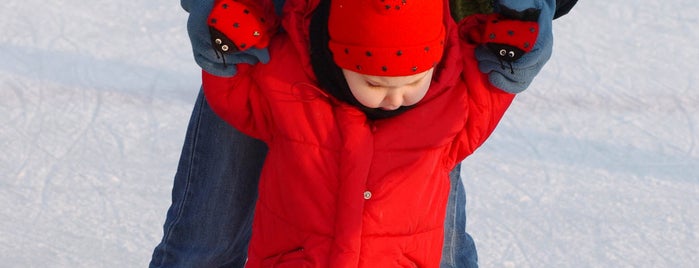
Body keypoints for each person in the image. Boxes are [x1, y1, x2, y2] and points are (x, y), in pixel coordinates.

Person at [150, 0, 573, 266]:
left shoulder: (448, 105)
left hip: (428, 22)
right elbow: (236, 90)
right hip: (271, 17)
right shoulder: (287, 90)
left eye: (408, 86)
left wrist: (520, 33)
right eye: (378, 87)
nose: (395, 99)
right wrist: (221, 40)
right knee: (205, 236)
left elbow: (489, 86)